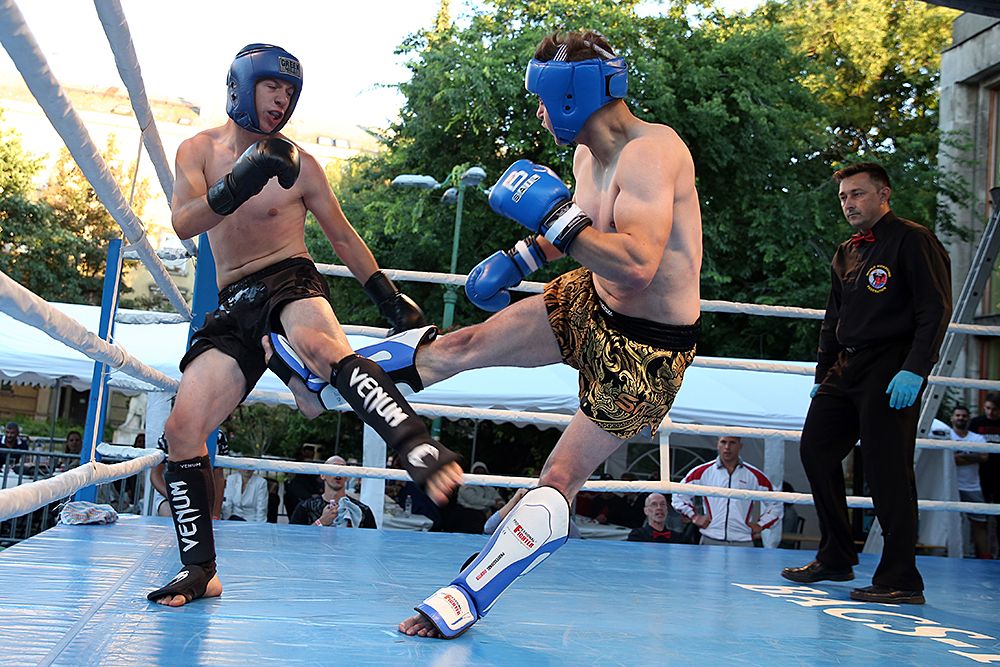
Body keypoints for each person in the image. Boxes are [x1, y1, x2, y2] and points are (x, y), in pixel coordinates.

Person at [386, 30, 703, 638]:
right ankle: (335, 376)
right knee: (460, 345)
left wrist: (553, 219)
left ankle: (466, 597)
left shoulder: (652, 153)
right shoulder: (587, 156)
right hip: (590, 299)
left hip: (648, 347)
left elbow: (637, 264)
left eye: (541, 99)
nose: (537, 112)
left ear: (571, 94)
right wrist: (522, 258)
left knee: (558, 480)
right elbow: (582, 230)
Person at [147, 43, 463, 607]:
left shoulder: (303, 166)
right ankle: (200, 571)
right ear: (242, 85)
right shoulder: (198, 150)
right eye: (273, 86)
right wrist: (243, 178)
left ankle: (415, 444)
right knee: (182, 430)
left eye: (290, 92)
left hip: (290, 278)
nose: (282, 100)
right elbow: (183, 222)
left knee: (321, 345)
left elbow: (341, 235)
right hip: (233, 302)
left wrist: (388, 297)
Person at [781, 162, 952, 605]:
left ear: (883, 194)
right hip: (846, 365)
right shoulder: (846, 251)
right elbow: (833, 318)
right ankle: (836, 555)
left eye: (857, 194)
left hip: (892, 363)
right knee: (815, 450)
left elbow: (934, 308)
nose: (849, 203)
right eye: (843, 197)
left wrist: (916, 367)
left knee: (886, 468)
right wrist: (822, 374)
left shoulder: (913, 240)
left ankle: (901, 577)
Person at [672, 436, 782, 547]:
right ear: (717, 444)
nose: (727, 447)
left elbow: (776, 502)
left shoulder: (754, 475)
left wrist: (761, 525)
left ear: (740, 446)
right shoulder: (703, 471)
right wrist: (694, 516)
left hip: (743, 540)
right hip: (710, 538)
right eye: (723, 442)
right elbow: (678, 494)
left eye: (732, 443)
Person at [949, 406, 991, 559]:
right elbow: (951, 460)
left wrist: (959, 457)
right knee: (948, 523)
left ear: (969, 418)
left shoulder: (977, 438)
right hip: (950, 486)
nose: (961, 418)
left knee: (980, 523)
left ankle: (985, 557)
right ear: (952, 418)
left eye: (964, 416)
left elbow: (984, 457)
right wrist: (972, 456)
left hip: (972, 486)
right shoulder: (947, 435)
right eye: (958, 415)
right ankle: (947, 555)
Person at [289, 455, 376, 528]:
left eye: (342, 469)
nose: (338, 473)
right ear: (322, 475)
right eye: (333, 469)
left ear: (347, 476)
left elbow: (372, 541)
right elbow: (294, 538)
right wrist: (321, 522)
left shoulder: (362, 510)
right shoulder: (305, 507)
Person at [450, 461, 504, 533]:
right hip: (466, 514)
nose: (480, 475)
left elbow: (499, 499)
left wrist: (500, 503)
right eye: (478, 473)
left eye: (482, 473)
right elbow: (473, 500)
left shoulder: (489, 488)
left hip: (484, 515)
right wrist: (493, 503)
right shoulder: (466, 486)